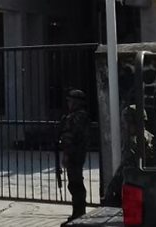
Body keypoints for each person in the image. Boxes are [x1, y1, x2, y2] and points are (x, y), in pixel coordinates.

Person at [104, 103, 155, 202]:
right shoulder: (146, 136)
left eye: (127, 123)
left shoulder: (136, 140)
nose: (124, 127)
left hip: (134, 180)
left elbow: (127, 165)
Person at [57, 89, 90, 225]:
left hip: (74, 154)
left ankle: (78, 214)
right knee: (76, 184)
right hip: (78, 153)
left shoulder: (75, 117)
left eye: (70, 101)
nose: (68, 104)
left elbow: (70, 137)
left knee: (75, 185)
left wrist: (66, 155)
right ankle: (78, 213)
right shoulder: (81, 116)